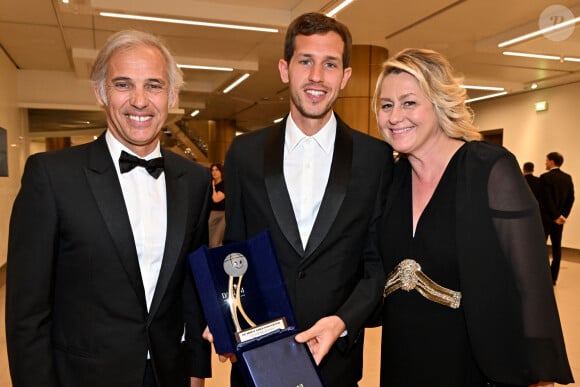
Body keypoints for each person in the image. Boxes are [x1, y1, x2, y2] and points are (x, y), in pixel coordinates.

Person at [6, 30, 212, 387]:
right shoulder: (53, 177)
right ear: (100, 92)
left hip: (169, 374)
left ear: (172, 95)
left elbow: (191, 289)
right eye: (122, 84)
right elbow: (27, 313)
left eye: (153, 85)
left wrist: (196, 369)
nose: (139, 100)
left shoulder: (194, 181)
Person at [373, 48, 573, 386]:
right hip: (402, 357)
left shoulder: (489, 168)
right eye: (386, 104)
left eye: (409, 102)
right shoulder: (390, 179)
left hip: (474, 361)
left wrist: (538, 372)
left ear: (439, 103)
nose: (395, 117)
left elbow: (530, 281)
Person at [222, 12, 393, 387]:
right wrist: (224, 317)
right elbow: (233, 251)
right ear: (285, 69)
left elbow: (377, 263)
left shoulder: (375, 158)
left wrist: (344, 320)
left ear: (345, 76)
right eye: (305, 61)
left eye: (330, 64)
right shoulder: (244, 153)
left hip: (338, 360)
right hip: (260, 356)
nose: (317, 76)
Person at [540, 152, 575, 285]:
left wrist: (554, 216)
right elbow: (571, 198)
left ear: (552, 161)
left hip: (545, 219)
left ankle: (540, 275)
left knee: (540, 247)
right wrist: (562, 216)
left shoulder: (544, 177)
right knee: (557, 248)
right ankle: (553, 278)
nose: (545, 163)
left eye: (547, 160)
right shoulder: (568, 178)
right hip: (559, 221)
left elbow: (546, 200)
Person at [208, 162, 226, 247]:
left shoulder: (224, 184)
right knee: (211, 241)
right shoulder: (210, 184)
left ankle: (218, 258)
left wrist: (213, 187)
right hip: (211, 214)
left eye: (217, 170)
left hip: (221, 215)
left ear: (221, 172)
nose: (214, 172)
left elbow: (216, 199)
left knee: (216, 241)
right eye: (212, 170)